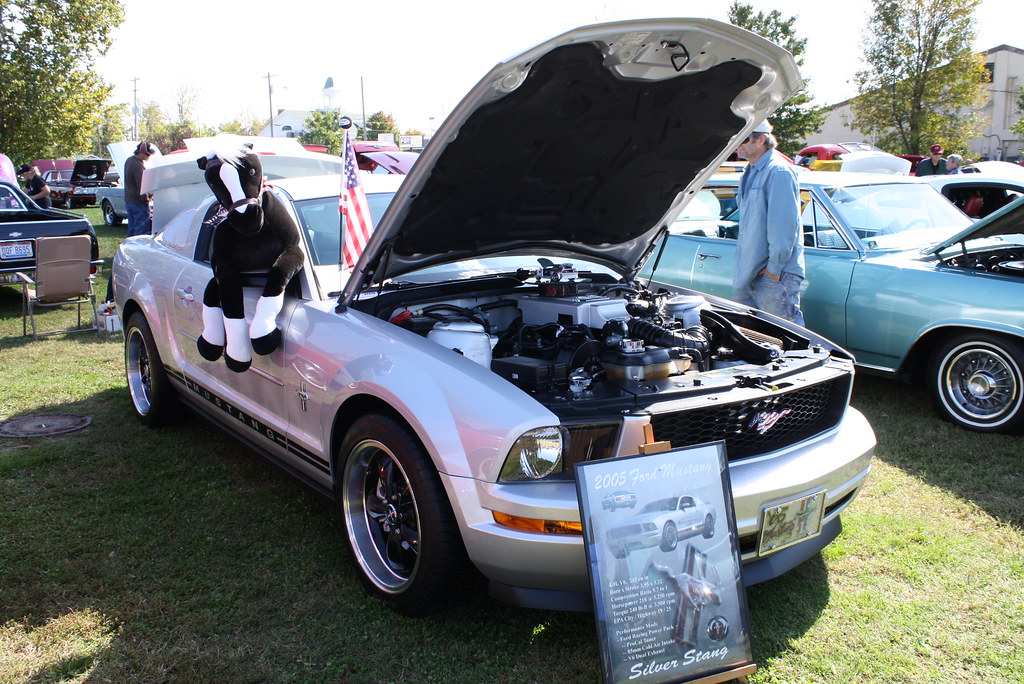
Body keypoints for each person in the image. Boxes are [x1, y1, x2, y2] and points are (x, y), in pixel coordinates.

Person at [733, 119, 805, 325]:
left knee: (786, 336)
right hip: (750, 272)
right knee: (754, 336)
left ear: (761, 139)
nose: (738, 144)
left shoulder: (779, 172)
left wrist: (773, 270)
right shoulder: (749, 172)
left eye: (743, 139)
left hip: (775, 274)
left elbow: (784, 227)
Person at [125, 141, 158, 236]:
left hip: (130, 201)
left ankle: (130, 249)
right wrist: (146, 199)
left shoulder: (129, 160)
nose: (149, 157)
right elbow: (142, 186)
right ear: (141, 152)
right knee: (141, 232)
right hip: (139, 204)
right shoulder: (138, 165)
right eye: (148, 154)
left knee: (132, 230)